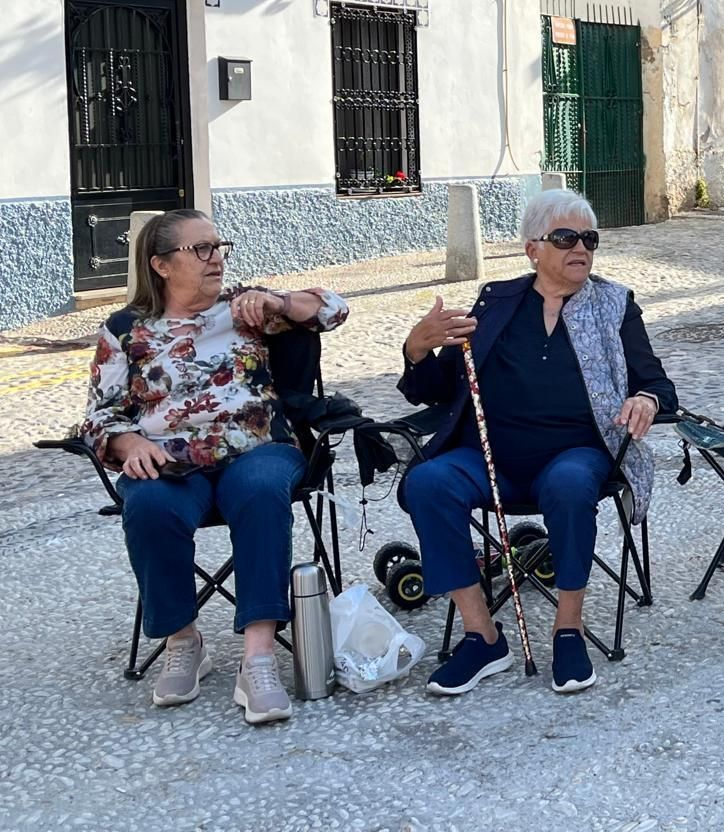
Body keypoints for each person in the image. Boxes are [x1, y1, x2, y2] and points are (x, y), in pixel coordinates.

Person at [398, 189, 676, 697]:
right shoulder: (497, 302)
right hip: (490, 457)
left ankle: (567, 628)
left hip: (576, 454)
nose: (581, 249)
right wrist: (417, 348)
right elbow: (435, 389)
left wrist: (646, 401)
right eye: (566, 238)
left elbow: (657, 383)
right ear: (533, 249)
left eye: (589, 239)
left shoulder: (615, 304)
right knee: (428, 482)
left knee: (571, 485)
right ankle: (482, 636)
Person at [80, 209, 349, 724]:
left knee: (261, 488)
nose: (216, 259)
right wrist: (127, 439)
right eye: (200, 249)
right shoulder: (124, 331)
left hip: (257, 448)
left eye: (219, 246)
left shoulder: (245, 309)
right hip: (172, 462)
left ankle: (259, 659)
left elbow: (334, 310)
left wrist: (279, 302)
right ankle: (184, 641)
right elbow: (97, 417)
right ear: (161, 265)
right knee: (149, 503)